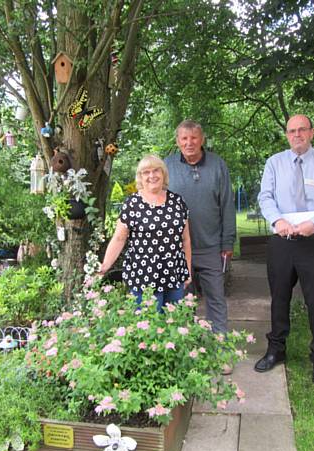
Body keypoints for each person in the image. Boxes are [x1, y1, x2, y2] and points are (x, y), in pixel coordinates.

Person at [255, 114, 314, 384]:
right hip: (282, 242)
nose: (297, 135)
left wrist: (313, 223)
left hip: (313, 241)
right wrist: (277, 220)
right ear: (287, 135)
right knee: (279, 298)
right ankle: (276, 350)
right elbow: (265, 196)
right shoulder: (274, 163)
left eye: (302, 130)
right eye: (292, 131)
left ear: (312, 133)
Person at [165, 120, 236, 339]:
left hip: (211, 247)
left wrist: (227, 242)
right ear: (177, 141)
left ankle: (221, 349)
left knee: (216, 298)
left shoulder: (218, 165)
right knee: (183, 302)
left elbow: (227, 204)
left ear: (202, 139)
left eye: (194, 137)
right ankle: (188, 349)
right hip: (177, 249)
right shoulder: (166, 166)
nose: (189, 143)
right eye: (184, 138)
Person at [99, 154, 192, 311]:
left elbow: (186, 240)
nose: (152, 176)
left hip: (174, 273)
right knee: (148, 327)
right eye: (146, 172)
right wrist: (105, 266)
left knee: (174, 326)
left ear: (163, 174)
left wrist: (187, 270)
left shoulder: (178, 202)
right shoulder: (132, 204)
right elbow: (119, 238)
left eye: (156, 171)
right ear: (140, 177)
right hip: (143, 276)